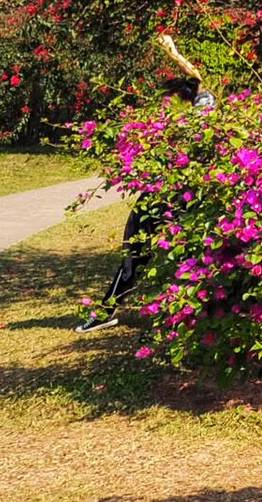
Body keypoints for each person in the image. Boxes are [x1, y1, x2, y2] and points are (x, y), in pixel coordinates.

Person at [74, 71, 211, 333]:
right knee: (134, 256)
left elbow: (206, 107)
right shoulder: (171, 122)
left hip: (181, 199)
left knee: (189, 258)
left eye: (170, 101)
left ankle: (192, 316)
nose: (163, 107)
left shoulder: (199, 113)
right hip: (156, 198)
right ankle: (107, 311)